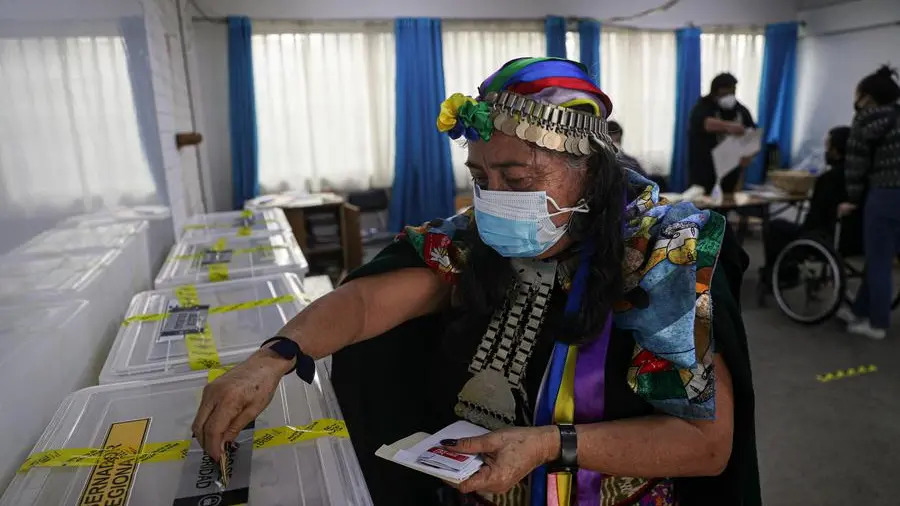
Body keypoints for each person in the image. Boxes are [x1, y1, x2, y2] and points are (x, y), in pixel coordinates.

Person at [192, 58, 760, 505]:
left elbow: (705, 444)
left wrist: (549, 445)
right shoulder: (476, 238)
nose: (496, 199)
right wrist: (272, 357)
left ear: (590, 173)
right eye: (481, 177)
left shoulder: (664, 252)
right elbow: (364, 304)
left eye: (518, 178)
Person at [838, 65, 900, 340]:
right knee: (879, 259)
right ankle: (860, 310)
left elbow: (855, 166)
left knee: (878, 261)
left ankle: (877, 324)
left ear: (867, 96)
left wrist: (853, 199)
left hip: (885, 194)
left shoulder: (865, 120)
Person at [761, 126, 856, 286]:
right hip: (853, 239)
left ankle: (781, 275)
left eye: (828, 146)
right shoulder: (860, 178)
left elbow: (814, 218)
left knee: (776, 227)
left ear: (836, 151)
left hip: (823, 238)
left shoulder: (827, 180)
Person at [688, 73, 757, 194]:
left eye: (732, 92)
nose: (729, 96)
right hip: (704, 170)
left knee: (729, 201)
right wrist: (730, 127)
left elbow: (753, 135)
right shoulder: (703, 106)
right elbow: (706, 123)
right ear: (716, 91)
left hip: (731, 170)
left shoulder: (740, 110)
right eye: (726, 92)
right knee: (702, 200)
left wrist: (749, 155)